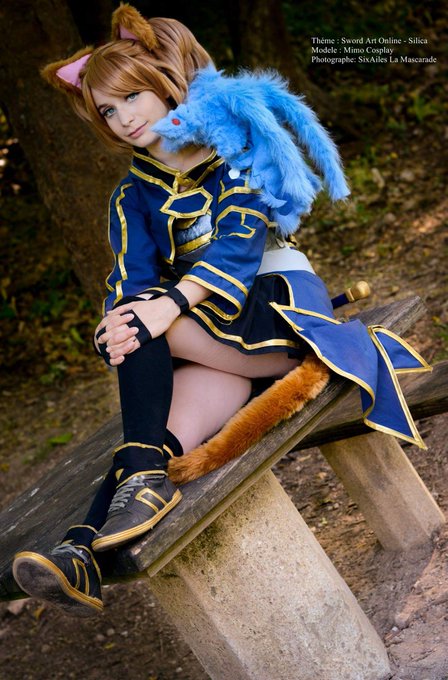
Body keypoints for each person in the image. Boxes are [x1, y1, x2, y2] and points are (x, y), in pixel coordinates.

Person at [12, 4, 429, 617]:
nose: (124, 118)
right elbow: (131, 278)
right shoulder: (130, 196)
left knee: (142, 317)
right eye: (107, 110)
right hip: (216, 347)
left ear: (165, 83)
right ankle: (80, 553)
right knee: (155, 439)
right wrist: (113, 327)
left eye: (132, 97)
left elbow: (238, 247)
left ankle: (125, 495)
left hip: (281, 314)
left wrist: (165, 307)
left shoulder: (233, 147)